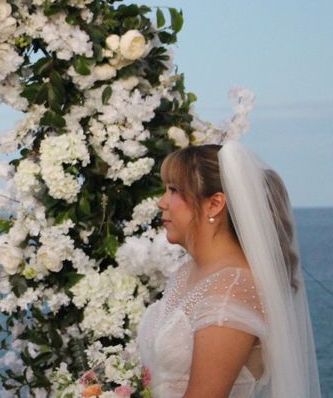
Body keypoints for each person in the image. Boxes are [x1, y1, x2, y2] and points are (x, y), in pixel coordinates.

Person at [137, 142, 321, 398]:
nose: (161, 202)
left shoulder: (231, 290)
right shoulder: (187, 272)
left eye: (174, 190)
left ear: (214, 205)